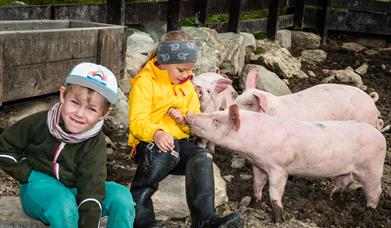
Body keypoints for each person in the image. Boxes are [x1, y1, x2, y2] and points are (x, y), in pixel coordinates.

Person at [128, 30, 243, 228]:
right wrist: (156, 133)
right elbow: (137, 122)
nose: (187, 74)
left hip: (178, 144)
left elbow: (193, 119)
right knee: (165, 151)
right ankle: (142, 219)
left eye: (190, 69)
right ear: (163, 63)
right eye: (182, 70)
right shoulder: (145, 83)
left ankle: (204, 219)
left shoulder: (187, 85)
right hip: (148, 145)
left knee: (202, 155)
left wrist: (184, 120)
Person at [0, 62, 135, 228]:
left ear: (104, 113)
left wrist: (88, 220)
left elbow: (92, 186)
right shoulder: (40, 122)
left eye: (92, 109)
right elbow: (4, 147)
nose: (80, 113)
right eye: (75, 102)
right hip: (40, 189)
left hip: (77, 190)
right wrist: (28, 174)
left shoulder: (95, 141)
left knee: (121, 196)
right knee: (63, 204)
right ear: (63, 95)